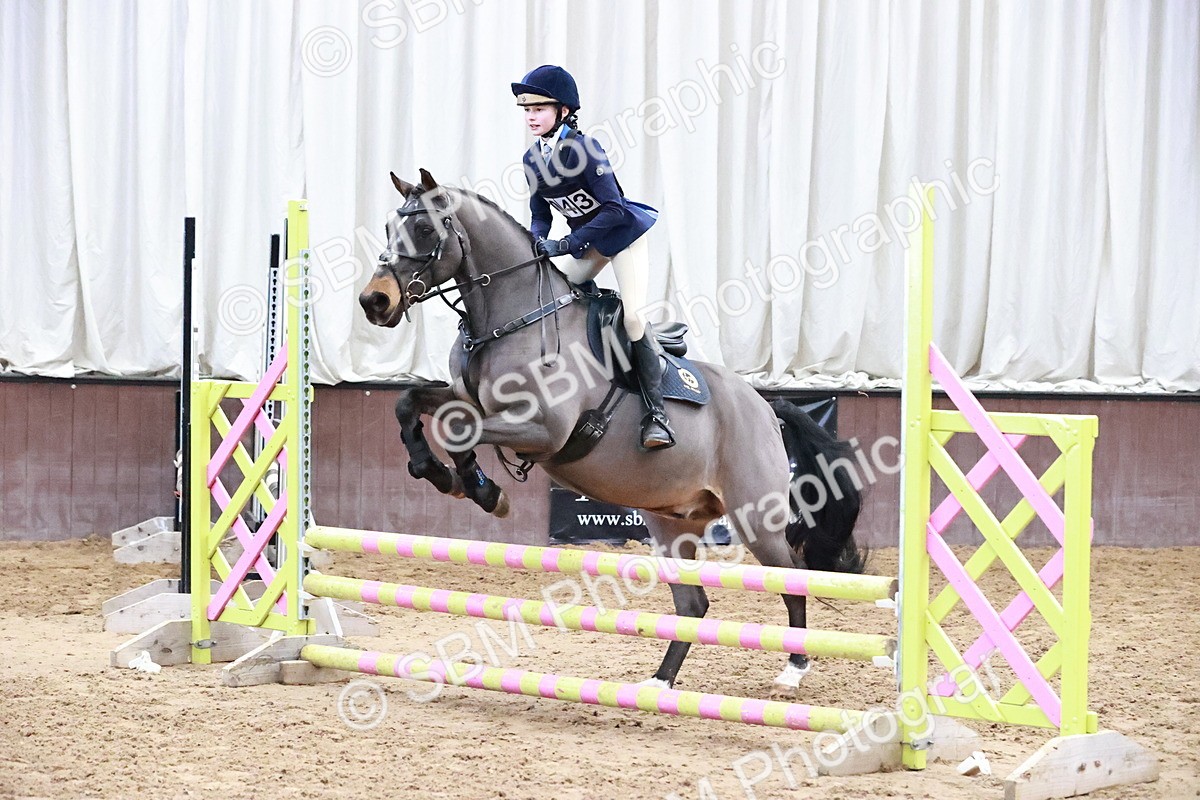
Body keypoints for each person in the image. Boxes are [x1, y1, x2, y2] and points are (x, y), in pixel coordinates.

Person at [512, 64, 675, 450]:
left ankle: (657, 414)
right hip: (588, 243)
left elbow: (615, 209)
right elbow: (541, 214)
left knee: (633, 314)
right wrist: (538, 243)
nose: (531, 116)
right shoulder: (532, 160)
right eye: (527, 110)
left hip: (623, 236)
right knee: (549, 298)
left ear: (563, 111)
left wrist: (566, 246)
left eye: (539, 109)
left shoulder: (585, 149)